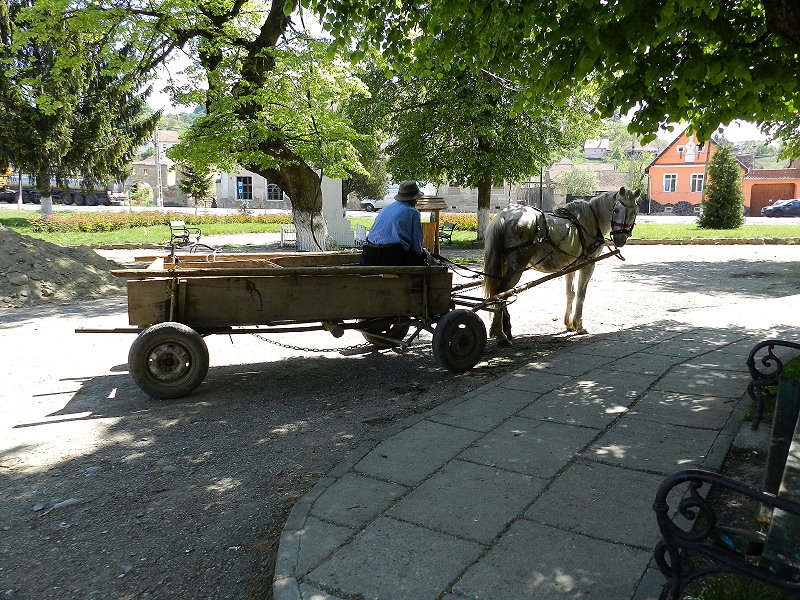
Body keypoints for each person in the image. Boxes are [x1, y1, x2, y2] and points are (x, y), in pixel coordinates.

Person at [360, 181, 427, 266]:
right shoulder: (413, 212)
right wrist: (421, 256)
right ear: (414, 199)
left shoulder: (386, 208)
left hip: (369, 253)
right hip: (393, 256)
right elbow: (417, 244)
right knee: (422, 257)